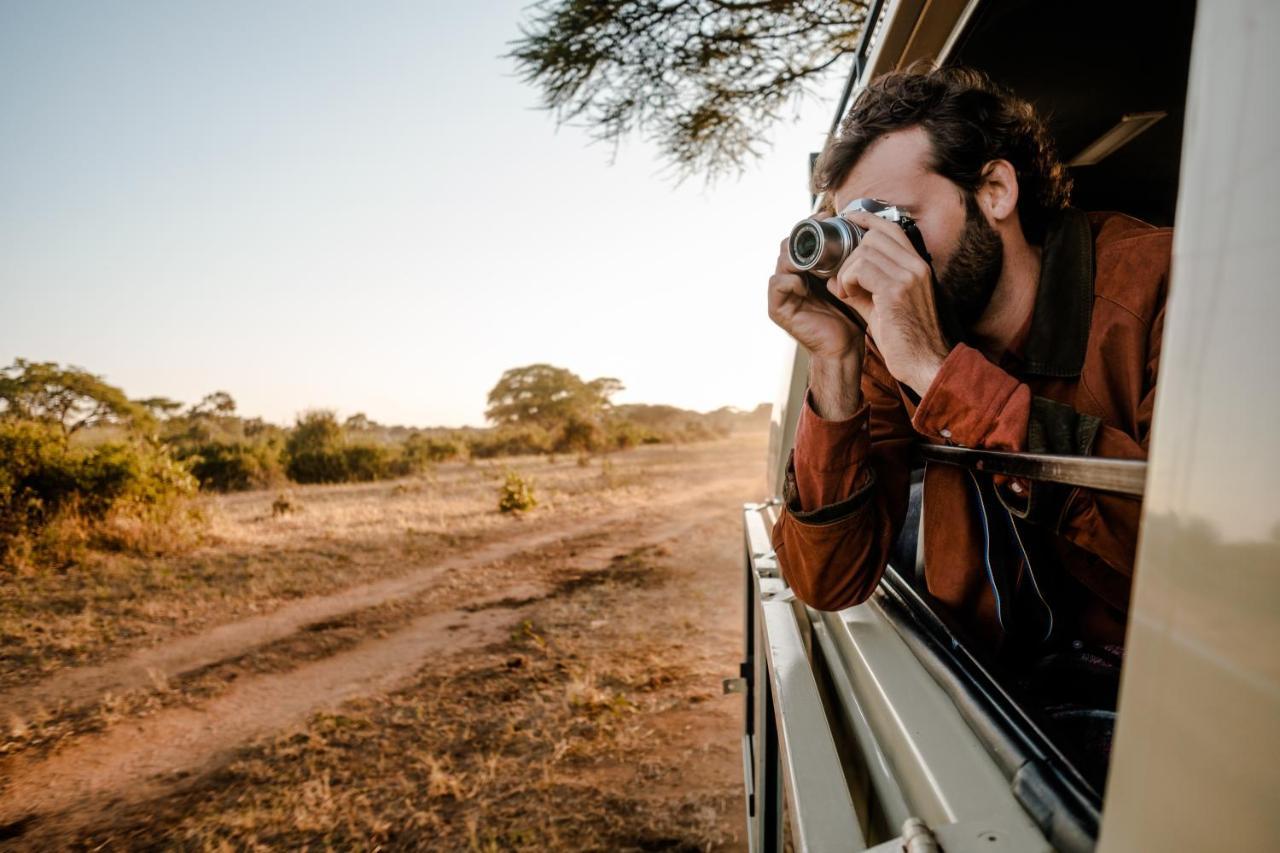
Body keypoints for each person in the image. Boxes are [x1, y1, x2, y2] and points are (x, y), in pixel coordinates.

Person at [767, 66, 1171, 654]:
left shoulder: (1163, 283)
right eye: (863, 233)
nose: (886, 257)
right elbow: (829, 582)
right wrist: (836, 356)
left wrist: (938, 374)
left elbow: (1212, 556)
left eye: (897, 222)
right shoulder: (886, 343)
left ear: (995, 192)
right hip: (995, 687)